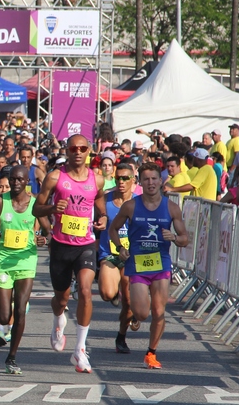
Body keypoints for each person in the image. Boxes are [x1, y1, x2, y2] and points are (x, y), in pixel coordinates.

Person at [32, 134, 107, 374]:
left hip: (85, 244)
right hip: (61, 245)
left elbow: (100, 200)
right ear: (67, 149)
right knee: (61, 299)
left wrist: (102, 217)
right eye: (73, 148)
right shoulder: (55, 177)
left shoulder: (97, 179)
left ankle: (80, 349)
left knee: (86, 291)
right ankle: (58, 321)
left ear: (89, 151)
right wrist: (53, 209)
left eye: (82, 148)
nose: (78, 152)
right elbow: (37, 208)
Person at [110, 162, 189, 369]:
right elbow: (113, 229)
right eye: (146, 179)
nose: (151, 183)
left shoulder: (171, 207)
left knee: (159, 310)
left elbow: (185, 239)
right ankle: (135, 317)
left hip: (161, 264)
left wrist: (174, 237)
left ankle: (151, 353)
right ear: (140, 182)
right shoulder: (131, 206)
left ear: (160, 181)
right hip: (137, 265)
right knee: (142, 313)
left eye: (154, 178)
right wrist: (120, 248)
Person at [0, 165, 49, 374]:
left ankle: (12, 357)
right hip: (3, 261)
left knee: (21, 310)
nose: (16, 183)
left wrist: (43, 238)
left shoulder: (34, 204)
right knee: (5, 316)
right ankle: (5, 322)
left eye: (20, 180)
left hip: (26, 261)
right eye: (12, 179)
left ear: (27, 182)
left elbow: (47, 229)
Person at [97, 162, 141, 353]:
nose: (121, 182)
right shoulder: (105, 201)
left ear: (133, 180)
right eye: (118, 178)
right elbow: (93, 220)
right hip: (110, 254)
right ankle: (115, 292)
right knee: (107, 294)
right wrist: (99, 222)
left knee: (129, 302)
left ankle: (121, 337)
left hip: (132, 257)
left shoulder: (140, 202)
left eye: (125, 178)